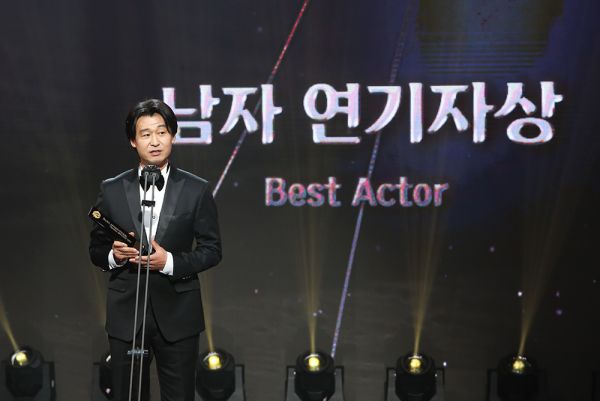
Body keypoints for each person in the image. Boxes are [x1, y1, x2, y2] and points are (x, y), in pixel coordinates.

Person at [89, 99, 222, 401]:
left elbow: (212, 250)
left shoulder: (196, 189)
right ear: (133, 141)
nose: (155, 141)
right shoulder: (111, 189)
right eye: (146, 134)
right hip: (127, 314)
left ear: (172, 135)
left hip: (178, 313)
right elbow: (96, 249)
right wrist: (114, 256)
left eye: (161, 132)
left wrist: (169, 262)